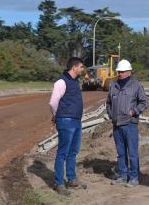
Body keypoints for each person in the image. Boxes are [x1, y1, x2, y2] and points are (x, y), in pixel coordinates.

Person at [106, 59, 147, 187]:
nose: (120, 74)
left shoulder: (136, 85)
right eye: (119, 71)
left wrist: (133, 112)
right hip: (116, 124)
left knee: (132, 153)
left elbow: (143, 102)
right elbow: (108, 103)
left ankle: (134, 177)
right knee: (121, 152)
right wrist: (111, 114)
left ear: (129, 72)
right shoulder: (113, 85)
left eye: (122, 72)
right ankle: (123, 175)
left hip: (130, 124)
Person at [49, 57, 87, 195]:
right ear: (74, 67)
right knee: (62, 153)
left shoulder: (75, 81)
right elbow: (53, 102)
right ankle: (59, 183)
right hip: (65, 120)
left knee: (73, 152)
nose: (82, 69)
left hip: (76, 120)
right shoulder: (61, 82)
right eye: (81, 67)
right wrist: (55, 116)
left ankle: (71, 179)